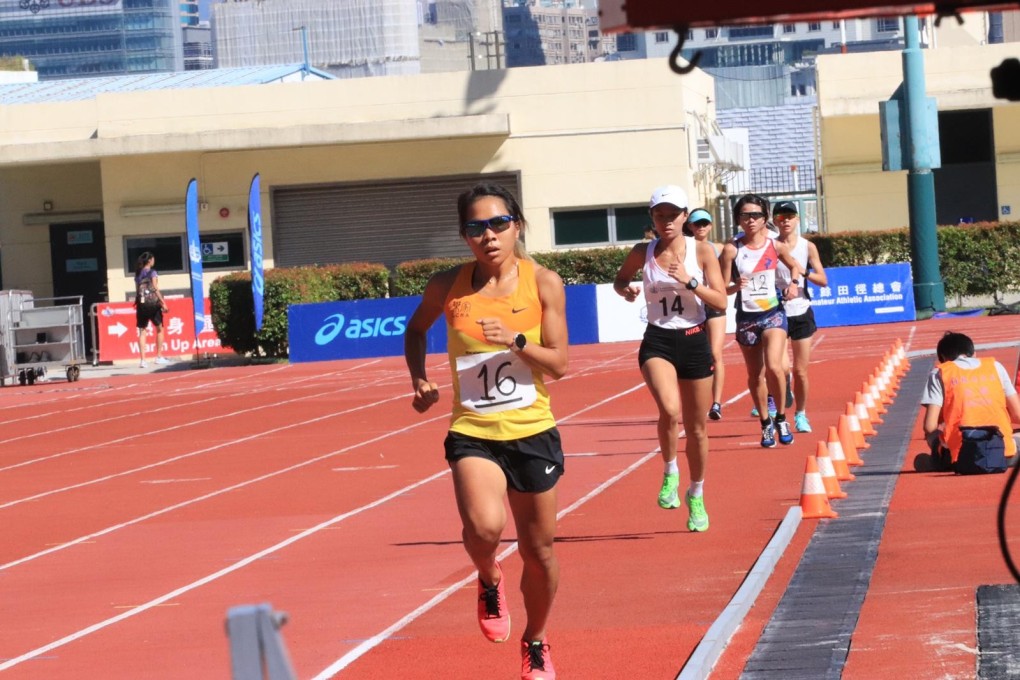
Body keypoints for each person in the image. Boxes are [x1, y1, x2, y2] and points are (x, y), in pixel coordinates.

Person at [404, 183, 567, 680]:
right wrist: (419, 376)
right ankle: (489, 574)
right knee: (484, 528)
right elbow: (415, 330)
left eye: (498, 224)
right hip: (472, 427)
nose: (489, 236)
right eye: (476, 228)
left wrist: (516, 340)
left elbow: (559, 364)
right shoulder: (447, 286)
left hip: (532, 428)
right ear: (464, 235)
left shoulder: (543, 282)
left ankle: (535, 639)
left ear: (516, 224)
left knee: (539, 553)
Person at [613, 186, 727, 532]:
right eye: (659, 215)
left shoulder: (702, 251)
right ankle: (669, 471)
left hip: (694, 340)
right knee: (670, 410)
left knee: (697, 428)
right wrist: (628, 290)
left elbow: (720, 302)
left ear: (685, 217)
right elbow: (620, 280)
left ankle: (697, 493)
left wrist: (690, 281)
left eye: (673, 215)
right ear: (652, 218)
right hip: (658, 341)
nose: (666, 221)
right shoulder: (641, 252)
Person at [718, 194, 805, 449]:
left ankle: (781, 417)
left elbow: (795, 267)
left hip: (773, 312)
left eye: (756, 215)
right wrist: (735, 286)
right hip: (747, 317)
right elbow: (722, 287)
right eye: (745, 215)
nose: (751, 220)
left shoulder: (775, 246)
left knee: (775, 367)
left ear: (765, 218)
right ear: (738, 219)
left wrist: (794, 284)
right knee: (755, 375)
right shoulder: (731, 250)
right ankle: (766, 424)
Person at [919, 331, 1020, 474]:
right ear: (974, 353)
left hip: (961, 457)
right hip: (1002, 453)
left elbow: (930, 427)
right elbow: (1018, 415)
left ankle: (940, 459)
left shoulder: (940, 373)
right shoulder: (995, 366)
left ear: (943, 358)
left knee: (933, 437)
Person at [773, 201, 827, 433]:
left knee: (800, 371)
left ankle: (801, 414)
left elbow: (823, 280)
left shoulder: (808, 247)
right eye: (781, 216)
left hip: (801, 310)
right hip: (776, 311)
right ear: (775, 221)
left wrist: (801, 271)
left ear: (797, 219)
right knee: (780, 367)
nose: (785, 220)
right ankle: (784, 387)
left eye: (790, 216)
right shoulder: (769, 246)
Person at [684, 208, 728, 421]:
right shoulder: (683, 247)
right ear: (689, 226)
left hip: (714, 307)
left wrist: (734, 287)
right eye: (696, 223)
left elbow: (730, 277)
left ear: (710, 225)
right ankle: (695, 401)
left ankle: (716, 403)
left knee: (715, 354)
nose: (701, 227)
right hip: (692, 308)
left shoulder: (720, 249)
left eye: (705, 223)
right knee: (696, 357)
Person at [134, 252, 170, 368]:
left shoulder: (138, 274)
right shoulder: (152, 272)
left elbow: (137, 292)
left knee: (142, 331)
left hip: (142, 305)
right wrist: (162, 302)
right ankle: (158, 356)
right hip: (153, 305)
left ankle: (143, 360)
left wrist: (138, 302)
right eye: (153, 259)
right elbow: (155, 288)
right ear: (149, 260)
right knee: (160, 329)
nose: (154, 260)